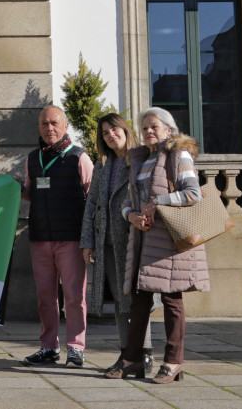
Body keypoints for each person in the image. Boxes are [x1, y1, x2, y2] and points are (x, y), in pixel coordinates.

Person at [107, 107, 209, 383]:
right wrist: (132, 216)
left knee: (172, 298)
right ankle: (132, 359)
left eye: (154, 127)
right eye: (145, 128)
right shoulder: (140, 160)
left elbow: (193, 194)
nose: (149, 132)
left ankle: (174, 361)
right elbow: (128, 201)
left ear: (169, 130)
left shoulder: (179, 155)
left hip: (170, 240)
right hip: (143, 239)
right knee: (139, 300)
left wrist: (158, 202)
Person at [20, 106, 93, 368]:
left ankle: (76, 347)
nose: (49, 128)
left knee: (74, 296)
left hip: (71, 239)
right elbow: (30, 193)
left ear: (65, 126)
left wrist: (89, 239)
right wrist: (18, 188)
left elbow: (93, 197)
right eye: (44, 124)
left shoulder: (79, 157)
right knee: (45, 297)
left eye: (54, 123)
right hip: (40, 238)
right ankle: (48, 347)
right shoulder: (32, 158)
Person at [80, 114, 153, 374]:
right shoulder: (102, 165)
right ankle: (127, 353)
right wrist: (87, 242)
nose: (111, 135)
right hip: (107, 243)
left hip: (135, 241)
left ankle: (143, 354)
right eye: (105, 132)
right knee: (121, 304)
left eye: (114, 129)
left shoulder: (141, 159)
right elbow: (91, 206)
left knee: (138, 300)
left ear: (125, 129)